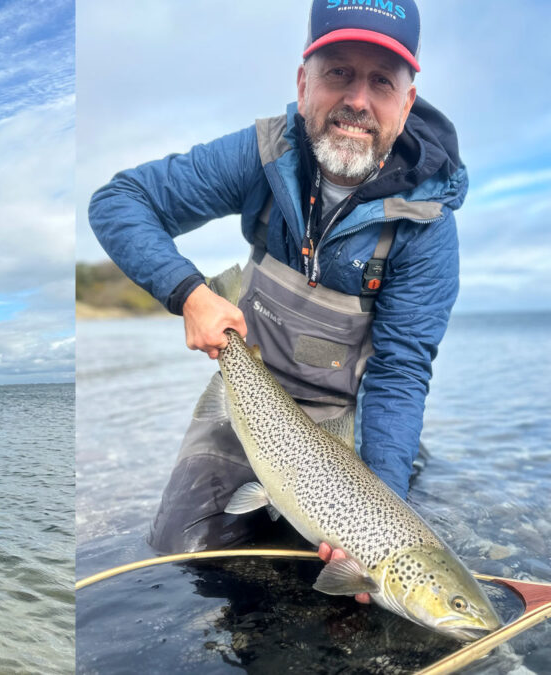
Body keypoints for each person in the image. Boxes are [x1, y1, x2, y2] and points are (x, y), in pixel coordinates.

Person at [89, 0, 462, 594]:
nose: (357, 100)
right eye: (338, 71)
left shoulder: (428, 226)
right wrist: (187, 292)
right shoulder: (262, 153)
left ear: (407, 102)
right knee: (184, 557)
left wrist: (379, 510)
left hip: (345, 425)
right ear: (303, 82)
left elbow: (399, 373)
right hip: (248, 399)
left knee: (351, 595)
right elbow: (119, 202)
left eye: (381, 82)